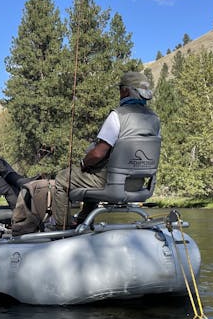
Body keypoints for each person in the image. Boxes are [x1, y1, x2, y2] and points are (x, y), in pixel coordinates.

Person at [53, 71, 161, 229]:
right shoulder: (155, 119)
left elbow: (98, 153)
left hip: (114, 183)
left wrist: (84, 163)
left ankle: (62, 227)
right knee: (95, 172)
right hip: (139, 185)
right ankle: (84, 220)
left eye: (120, 89)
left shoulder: (118, 115)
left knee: (62, 179)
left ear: (125, 90)